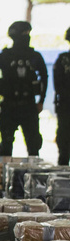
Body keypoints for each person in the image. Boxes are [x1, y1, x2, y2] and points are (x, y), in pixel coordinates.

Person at [0, 21, 48, 157]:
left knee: (33, 146)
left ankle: (33, 171)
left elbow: (45, 77)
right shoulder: (4, 56)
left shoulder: (35, 56)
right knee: (6, 145)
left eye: (28, 33)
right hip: (9, 106)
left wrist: (41, 101)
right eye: (24, 34)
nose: (27, 37)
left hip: (29, 105)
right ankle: (4, 170)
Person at [54, 27, 70, 165]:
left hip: (65, 105)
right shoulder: (63, 60)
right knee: (64, 143)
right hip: (66, 106)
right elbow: (57, 85)